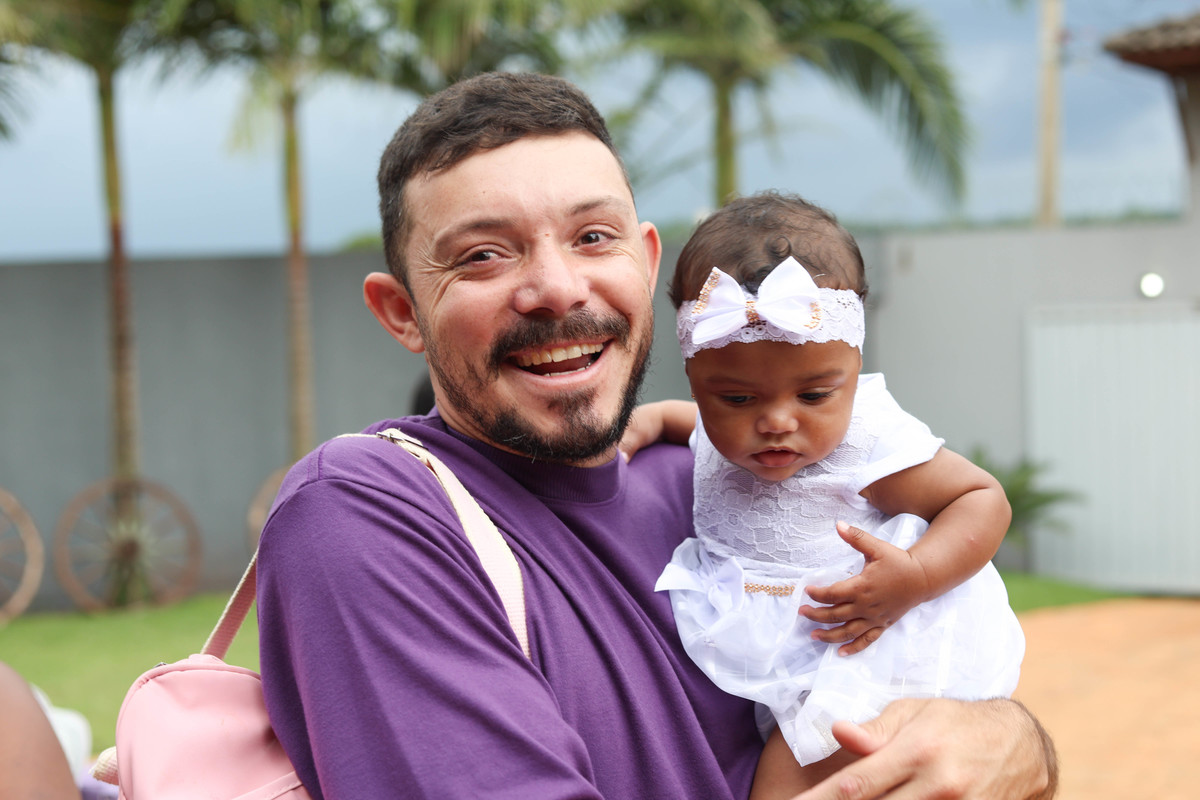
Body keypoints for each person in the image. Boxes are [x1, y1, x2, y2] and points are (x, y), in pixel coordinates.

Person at [255, 71, 1057, 799]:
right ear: (402, 312)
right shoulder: (366, 514)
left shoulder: (721, 481)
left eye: (591, 237)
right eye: (484, 255)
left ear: (645, 264)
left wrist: (1018, 745)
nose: (556, 288)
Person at [627, 192, 1025, 796]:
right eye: (736, 398)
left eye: (813, 395)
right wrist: (657, 418)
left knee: (785, 786)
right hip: (787, 654)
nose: (776, 421)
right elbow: (698, 427)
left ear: (854, 368)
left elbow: (982, 497)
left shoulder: (865, 446)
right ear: (697, 382)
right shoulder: (715, 430)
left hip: (861, 648)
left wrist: (916, 576)